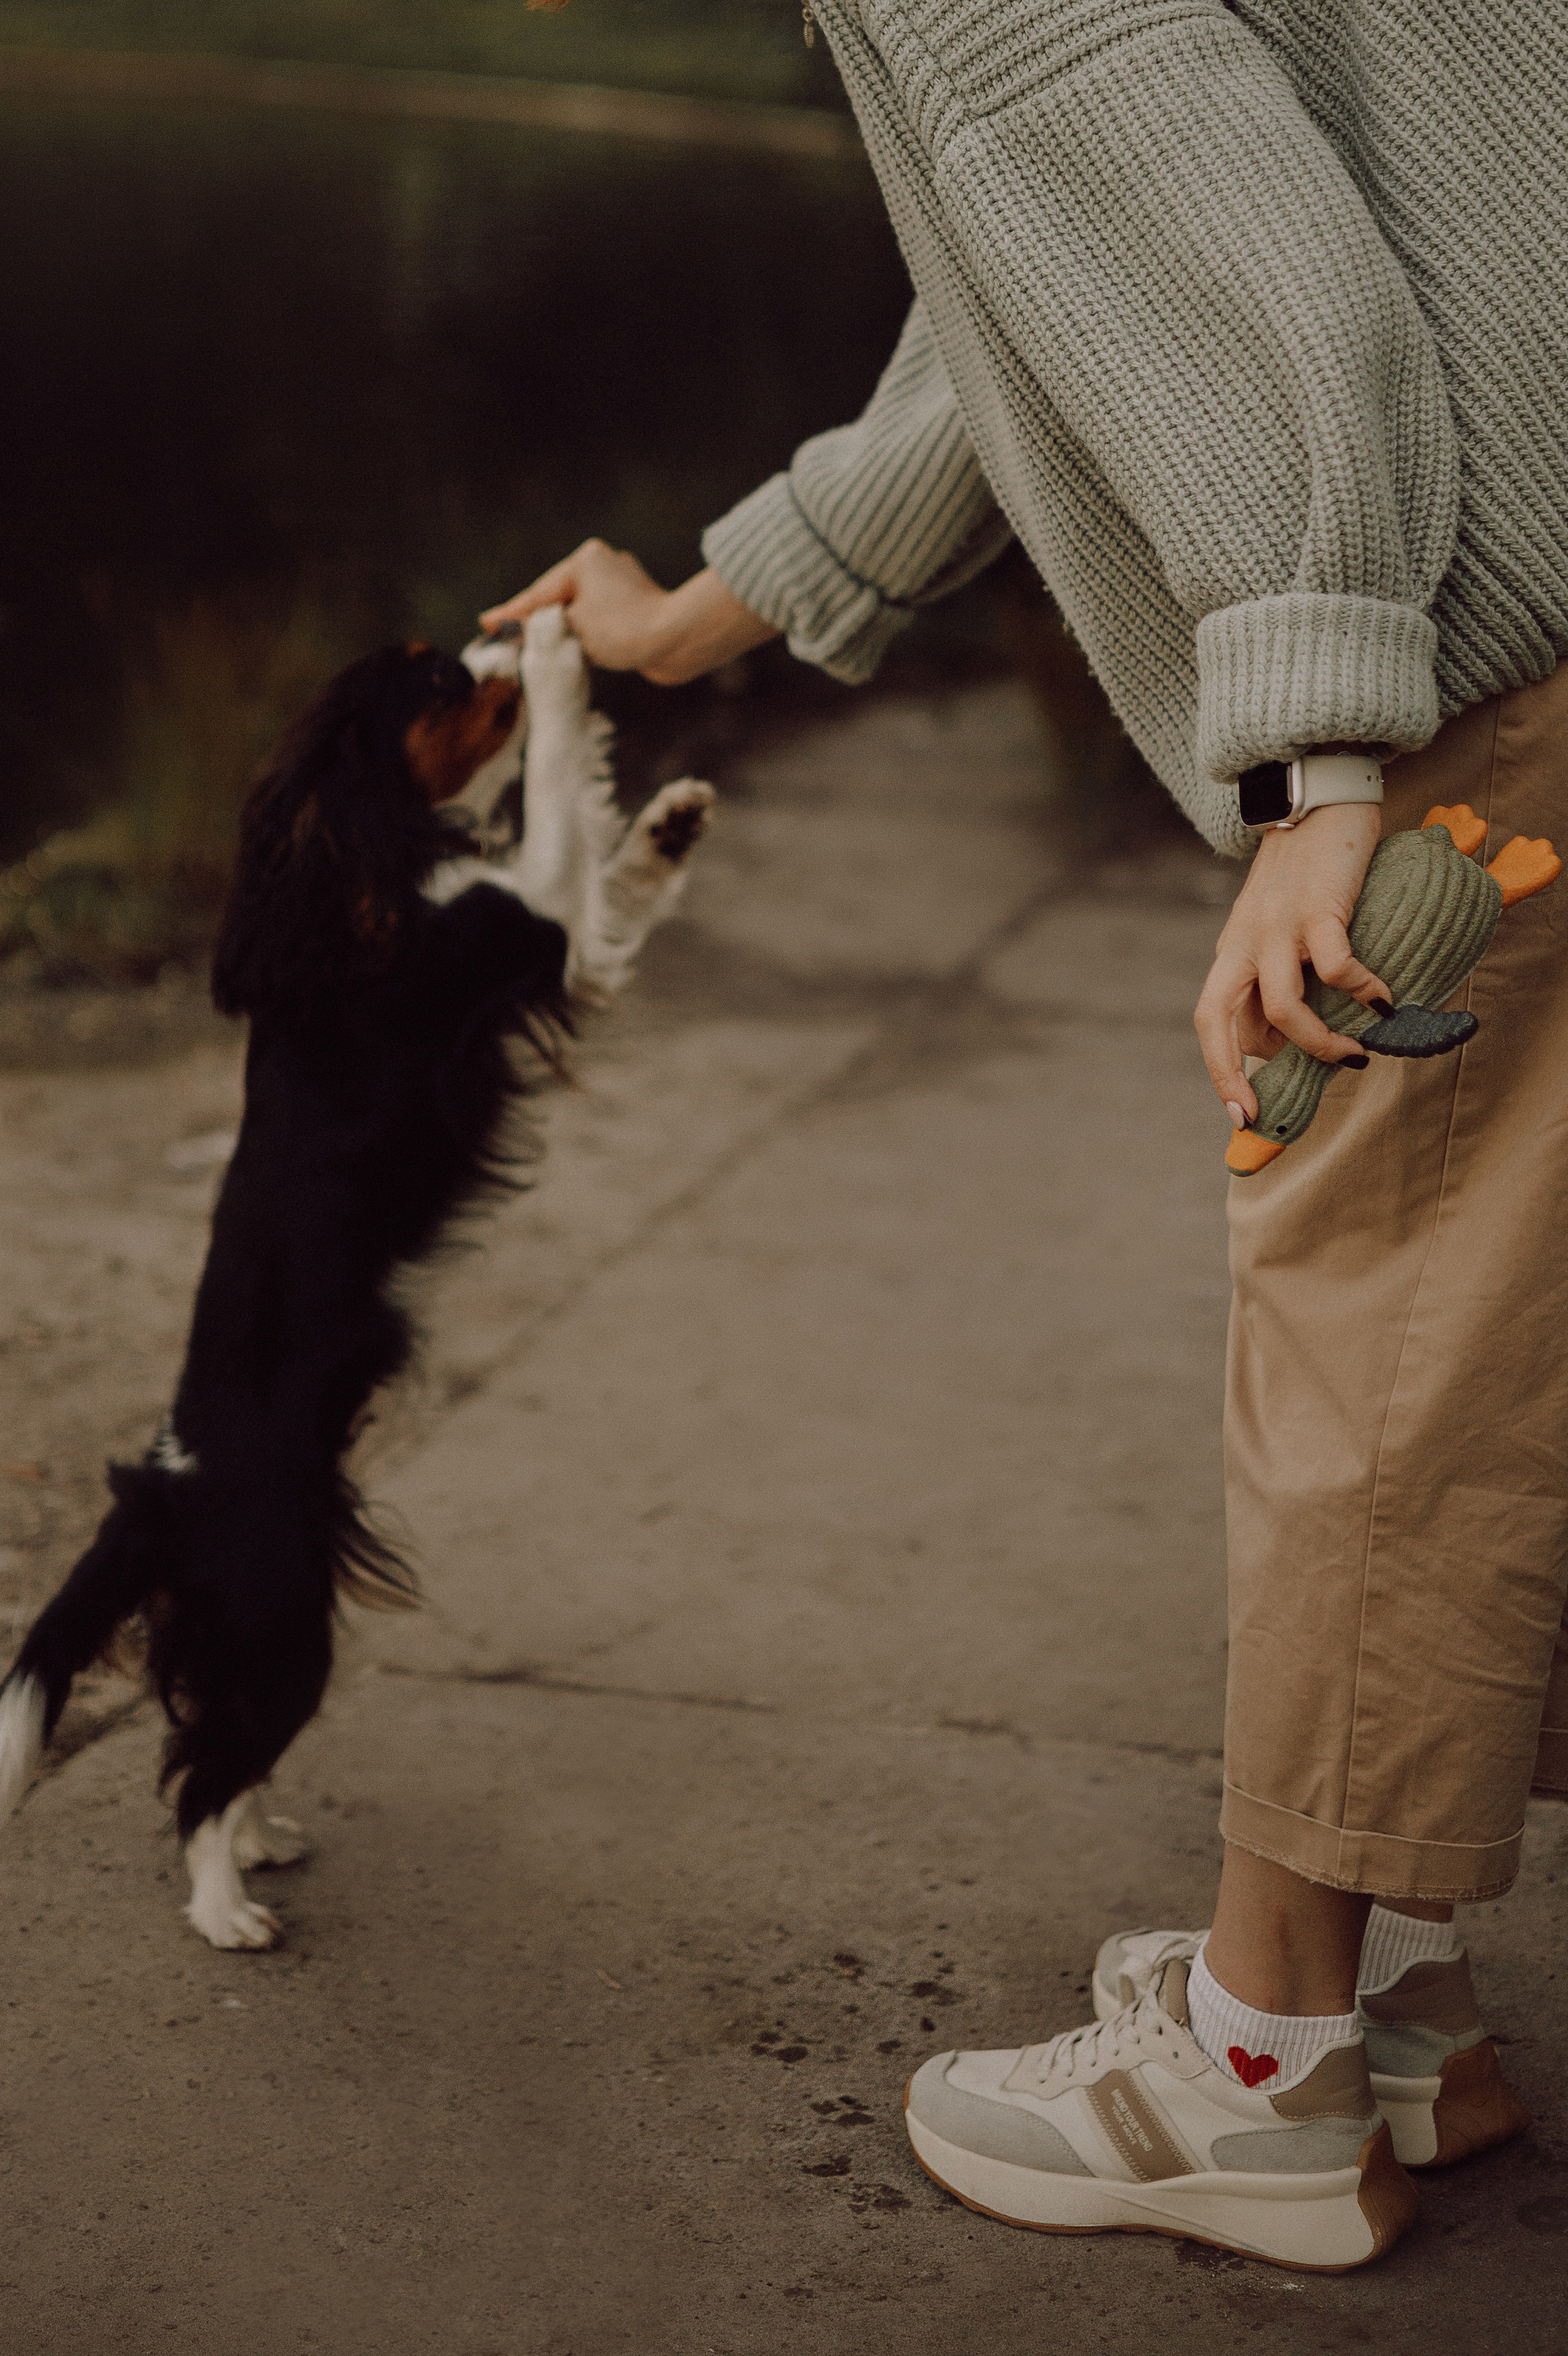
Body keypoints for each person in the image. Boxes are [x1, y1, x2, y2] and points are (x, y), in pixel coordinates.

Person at [484, 0, 1566, 2269]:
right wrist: (723, 601)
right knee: (1495, 1315)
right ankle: (1389, 2008)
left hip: (1493, 653)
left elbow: (1233, 252)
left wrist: (1317, 751)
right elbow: (1057, 272)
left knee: (1377, 1307)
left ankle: (1264, 2076)